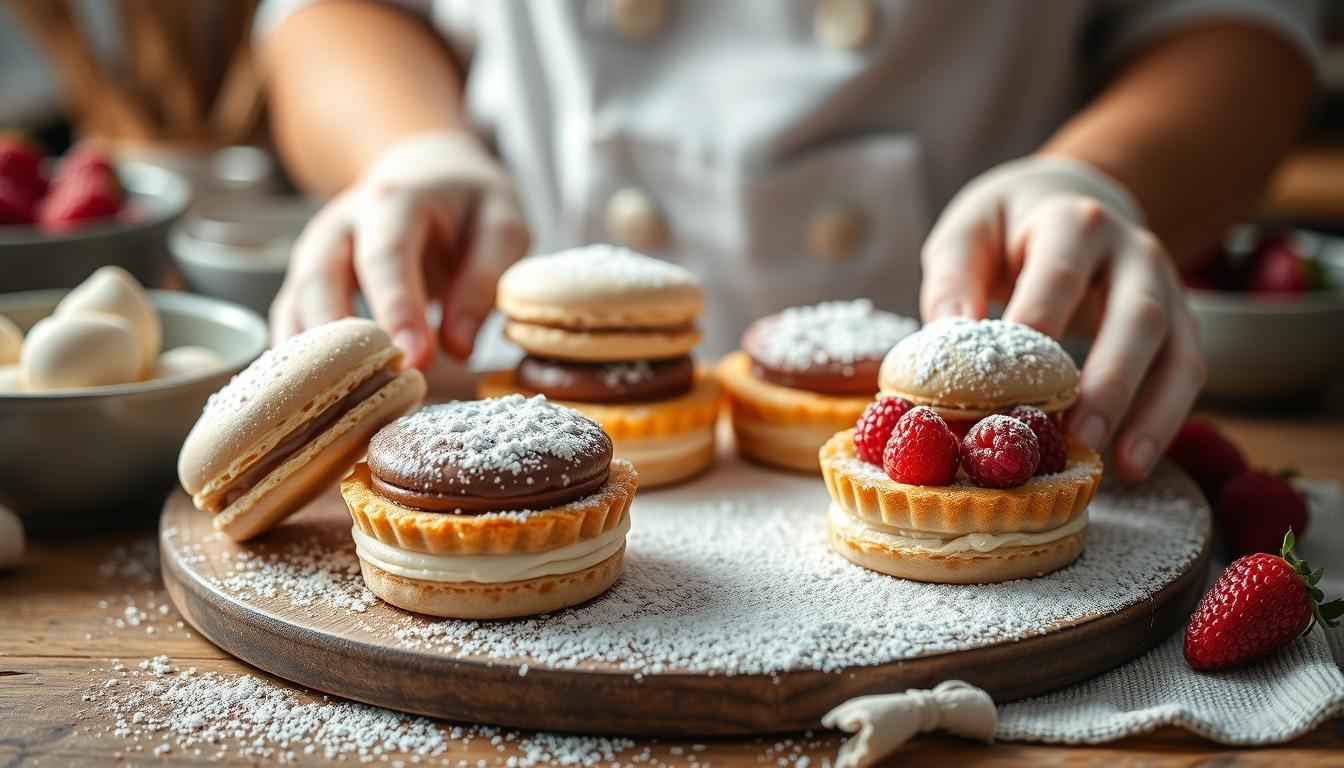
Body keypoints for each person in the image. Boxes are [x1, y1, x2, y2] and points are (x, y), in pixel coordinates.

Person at [257, 0, 1320, 482]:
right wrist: (409, 149)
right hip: (502, 373)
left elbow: (1249, 27)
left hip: (990, 365)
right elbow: (324, 12)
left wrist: (1094, 179)